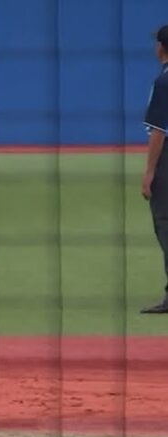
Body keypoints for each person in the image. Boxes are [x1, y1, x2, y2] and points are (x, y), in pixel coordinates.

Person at [139, 24, 168, 314]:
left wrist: (149, 173)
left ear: (161, 47)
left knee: (166, 225)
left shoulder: (164, 83)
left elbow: (159, 131)